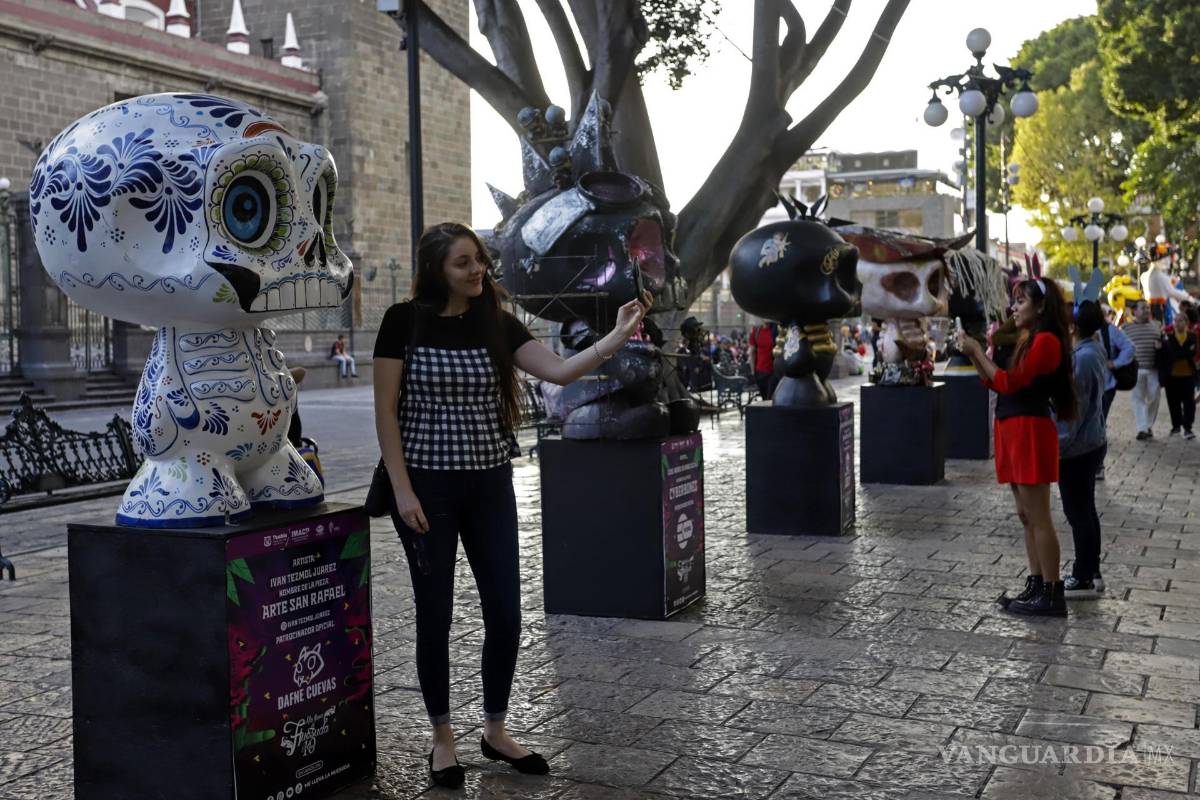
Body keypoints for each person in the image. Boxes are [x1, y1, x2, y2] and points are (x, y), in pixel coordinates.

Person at [372, 222, 650, 788]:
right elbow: (385, 411)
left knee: (505, 612)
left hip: (490, 485)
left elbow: (560, 371)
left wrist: (617, 334)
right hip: (426, 488)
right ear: (435, 270)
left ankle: (495, 730)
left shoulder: (496, 322)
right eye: (462, 263)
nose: (477, 270)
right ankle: (442, 737)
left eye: (479, 259)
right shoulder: (403, 322)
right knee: (435, 614)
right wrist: (402, 490)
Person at [955, 278, 1077, 616]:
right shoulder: (1026, 338)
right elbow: (991, 380)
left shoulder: (1047, 341)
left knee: (1039, 517)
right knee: (1026, 516)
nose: (1013, 307)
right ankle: (1037, 583)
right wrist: (975, 353)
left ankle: (1052, 593)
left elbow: (1010, 382)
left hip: (1030, 429)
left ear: (1041, 306)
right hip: (1013, 427)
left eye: (1021, 301)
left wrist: (976, 351)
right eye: (1015, 300)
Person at [1058, 302, 1109, 598]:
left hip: (1078, 448)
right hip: (1091, 442)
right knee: (1086, 509)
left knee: (1078, 511)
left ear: (1073, 327)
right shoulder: (1093, 350)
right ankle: (1092, 570)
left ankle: (1083, 575)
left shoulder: (1083, 358)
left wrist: (1058, 443)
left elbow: (1074, 410)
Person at [1096, 304, 1135, 481]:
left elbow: (1129, 347)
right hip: (1083, 386)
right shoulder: (1075, 329)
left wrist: (1116, 363)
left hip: (1106, 386)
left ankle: (1098, 465)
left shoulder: (1109, 331)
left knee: (1099, 424)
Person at [1123, 300, 1163, 440]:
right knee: (1138, 399)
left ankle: (1148, 425)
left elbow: (1163, 344)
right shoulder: (1126, 328)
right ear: (1135, 311)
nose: (1147, 310)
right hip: (1136, 370)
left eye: (1148, 308)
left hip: (1153, 369)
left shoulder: (1157, 326)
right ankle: (1142, 428)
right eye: (1143, 308)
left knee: (1154, 398)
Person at [1159, 312, 1198, 439]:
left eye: (1180, 320)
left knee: (1189, 403)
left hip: (1188, 375)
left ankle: (1188, 427)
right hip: (1172, 376)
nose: (1177, 323)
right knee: (1173, 402)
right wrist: (1183, 351)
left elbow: (1191, 353)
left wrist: (1178, 352)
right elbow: (1169, 355)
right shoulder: (1168, 338)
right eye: (1175, 320)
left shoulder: (1192, 336)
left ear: (1186, 322)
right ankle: (1176, 426)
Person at [749, 322, 776, 399]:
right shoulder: (756, 331)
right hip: (760, 372)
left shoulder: (775, 329)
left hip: (773, 372)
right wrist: (753, 372)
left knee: (770, 398)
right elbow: (752, 352)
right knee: (764, 398)